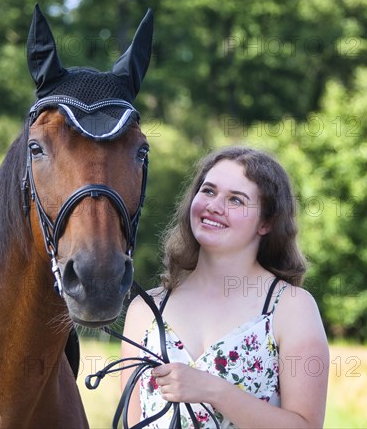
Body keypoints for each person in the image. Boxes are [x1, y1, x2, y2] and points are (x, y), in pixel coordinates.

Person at [121, 146, 329, 428]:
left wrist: (212, 390)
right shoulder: (145, 309)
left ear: (266, 222)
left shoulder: (290, 307)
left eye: (236, 200)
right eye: (208, 191)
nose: (214, 206)